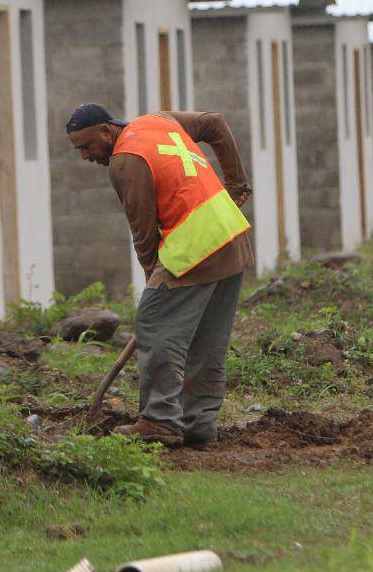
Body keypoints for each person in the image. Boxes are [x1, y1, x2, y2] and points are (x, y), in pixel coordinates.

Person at [66, 103, 253, 448]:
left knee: (154, 323)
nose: (84, 156)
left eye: (87, 146)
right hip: (232, 236)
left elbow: (144, 233)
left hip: (196, 246)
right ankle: (198, 423)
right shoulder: (157, 121)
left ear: (107, 131)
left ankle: (160, 419)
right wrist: (237, 184)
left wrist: (155, 277)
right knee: (206, 341)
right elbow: (215, 121)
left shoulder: (124, 161)